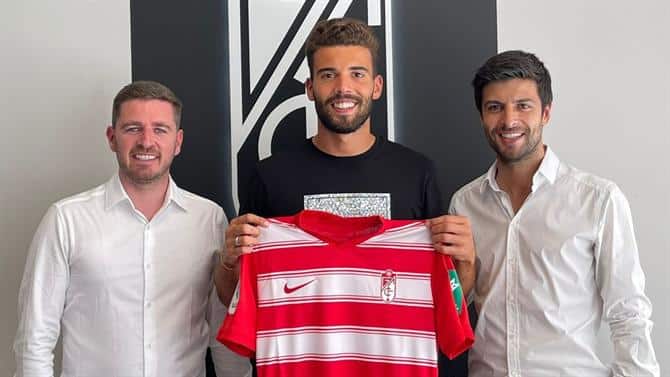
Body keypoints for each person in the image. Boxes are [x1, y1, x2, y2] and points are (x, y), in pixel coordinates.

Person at [214, 17, 475, 376]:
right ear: (309, 87)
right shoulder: (269, 176)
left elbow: (448, 295)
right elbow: (238, 298)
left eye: (357, 74)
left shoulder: (417, 173)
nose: (343, 87)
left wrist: (466, 263)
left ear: (377, 85)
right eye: (328, 75)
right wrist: (230, 263)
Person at [13, 81, 249, 377]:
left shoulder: (209, 219)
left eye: (160, 129)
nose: (146, 141)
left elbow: (223, 329)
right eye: (133, 129)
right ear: (112, 138)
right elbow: (35, 337)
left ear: (178, 141)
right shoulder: (67, 219)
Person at [449, 50, 659, 376]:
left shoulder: (598, 200)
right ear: (481, 116)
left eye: (523, 106)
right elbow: (456, 310)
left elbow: (628, 312)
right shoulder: (464, 204)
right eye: (495, 108)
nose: (509, 121)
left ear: (546, 112)